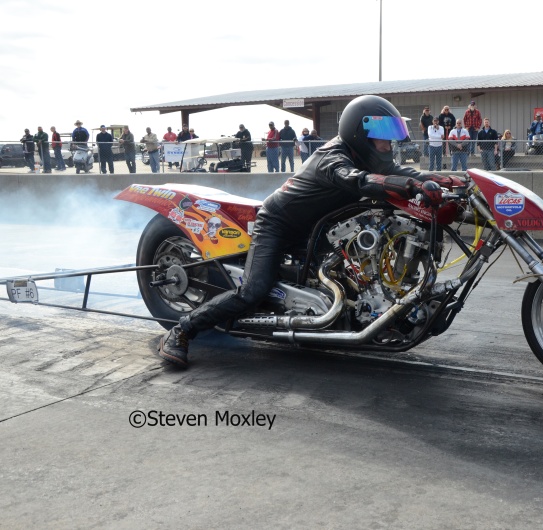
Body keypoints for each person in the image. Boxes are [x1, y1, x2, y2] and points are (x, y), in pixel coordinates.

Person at [157, 95, 458, 368]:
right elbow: (357, 180)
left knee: (353, 278)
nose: (388, 144)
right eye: (383, 137)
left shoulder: (367, 156)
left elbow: (404, 173)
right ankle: (183, 329)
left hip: (318, 230)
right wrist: (410, 185)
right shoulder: (334, 158)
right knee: (253, 291)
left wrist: (447, 180)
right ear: (360, 133)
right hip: (279, 225)